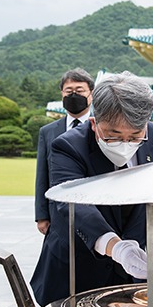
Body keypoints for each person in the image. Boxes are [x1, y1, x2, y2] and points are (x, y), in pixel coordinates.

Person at [30, 71, 153, 306]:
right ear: (94, 122)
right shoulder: (68, 145)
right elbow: (72, 201)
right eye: (113, 135)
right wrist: (115, 247)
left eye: (136, 135)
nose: (125, 144)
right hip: (76, 270)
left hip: (132, 274)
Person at [34, 68, 94, 235]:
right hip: (57, 210)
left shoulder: (102, 127)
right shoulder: (48, 131)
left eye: (80, 90)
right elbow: (42, 174)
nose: (73, 95)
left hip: (94, 208)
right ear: (62, 94)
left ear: (91, 94)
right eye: (69, 91)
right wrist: (41, 215)